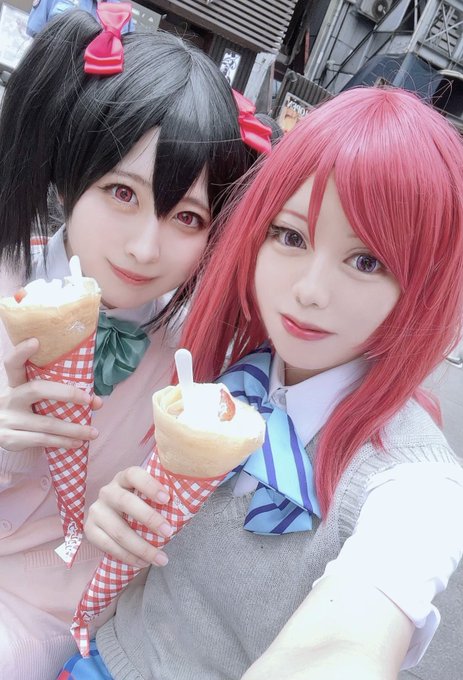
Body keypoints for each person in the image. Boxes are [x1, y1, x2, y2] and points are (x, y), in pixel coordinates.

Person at [62, 87, 463, 679]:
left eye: (367, 261)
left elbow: (352, 640)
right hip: (93, 655)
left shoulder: (415, 484)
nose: (310, 290)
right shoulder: (226, 366)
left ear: (425, 282)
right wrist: (112, 516)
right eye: (290, 236)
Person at [0, 6, 259, 678]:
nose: (146, 247)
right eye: (122, 192)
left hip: (81, 622)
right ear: (70, 177)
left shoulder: (201, 362)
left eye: (187, 217)